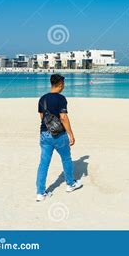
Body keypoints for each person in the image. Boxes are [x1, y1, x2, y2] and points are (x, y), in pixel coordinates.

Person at [36, 74, 82, 202]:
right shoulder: (61, 98)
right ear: (60, 84)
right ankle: (70, 184)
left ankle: (40, 193)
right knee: (66, 159)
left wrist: (50, 127)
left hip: (44, 134)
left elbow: (41, 116)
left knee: (44, 163)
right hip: (59, 135)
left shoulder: (42, 99)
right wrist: (71, 134)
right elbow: (63, 117)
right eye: (63, 83)